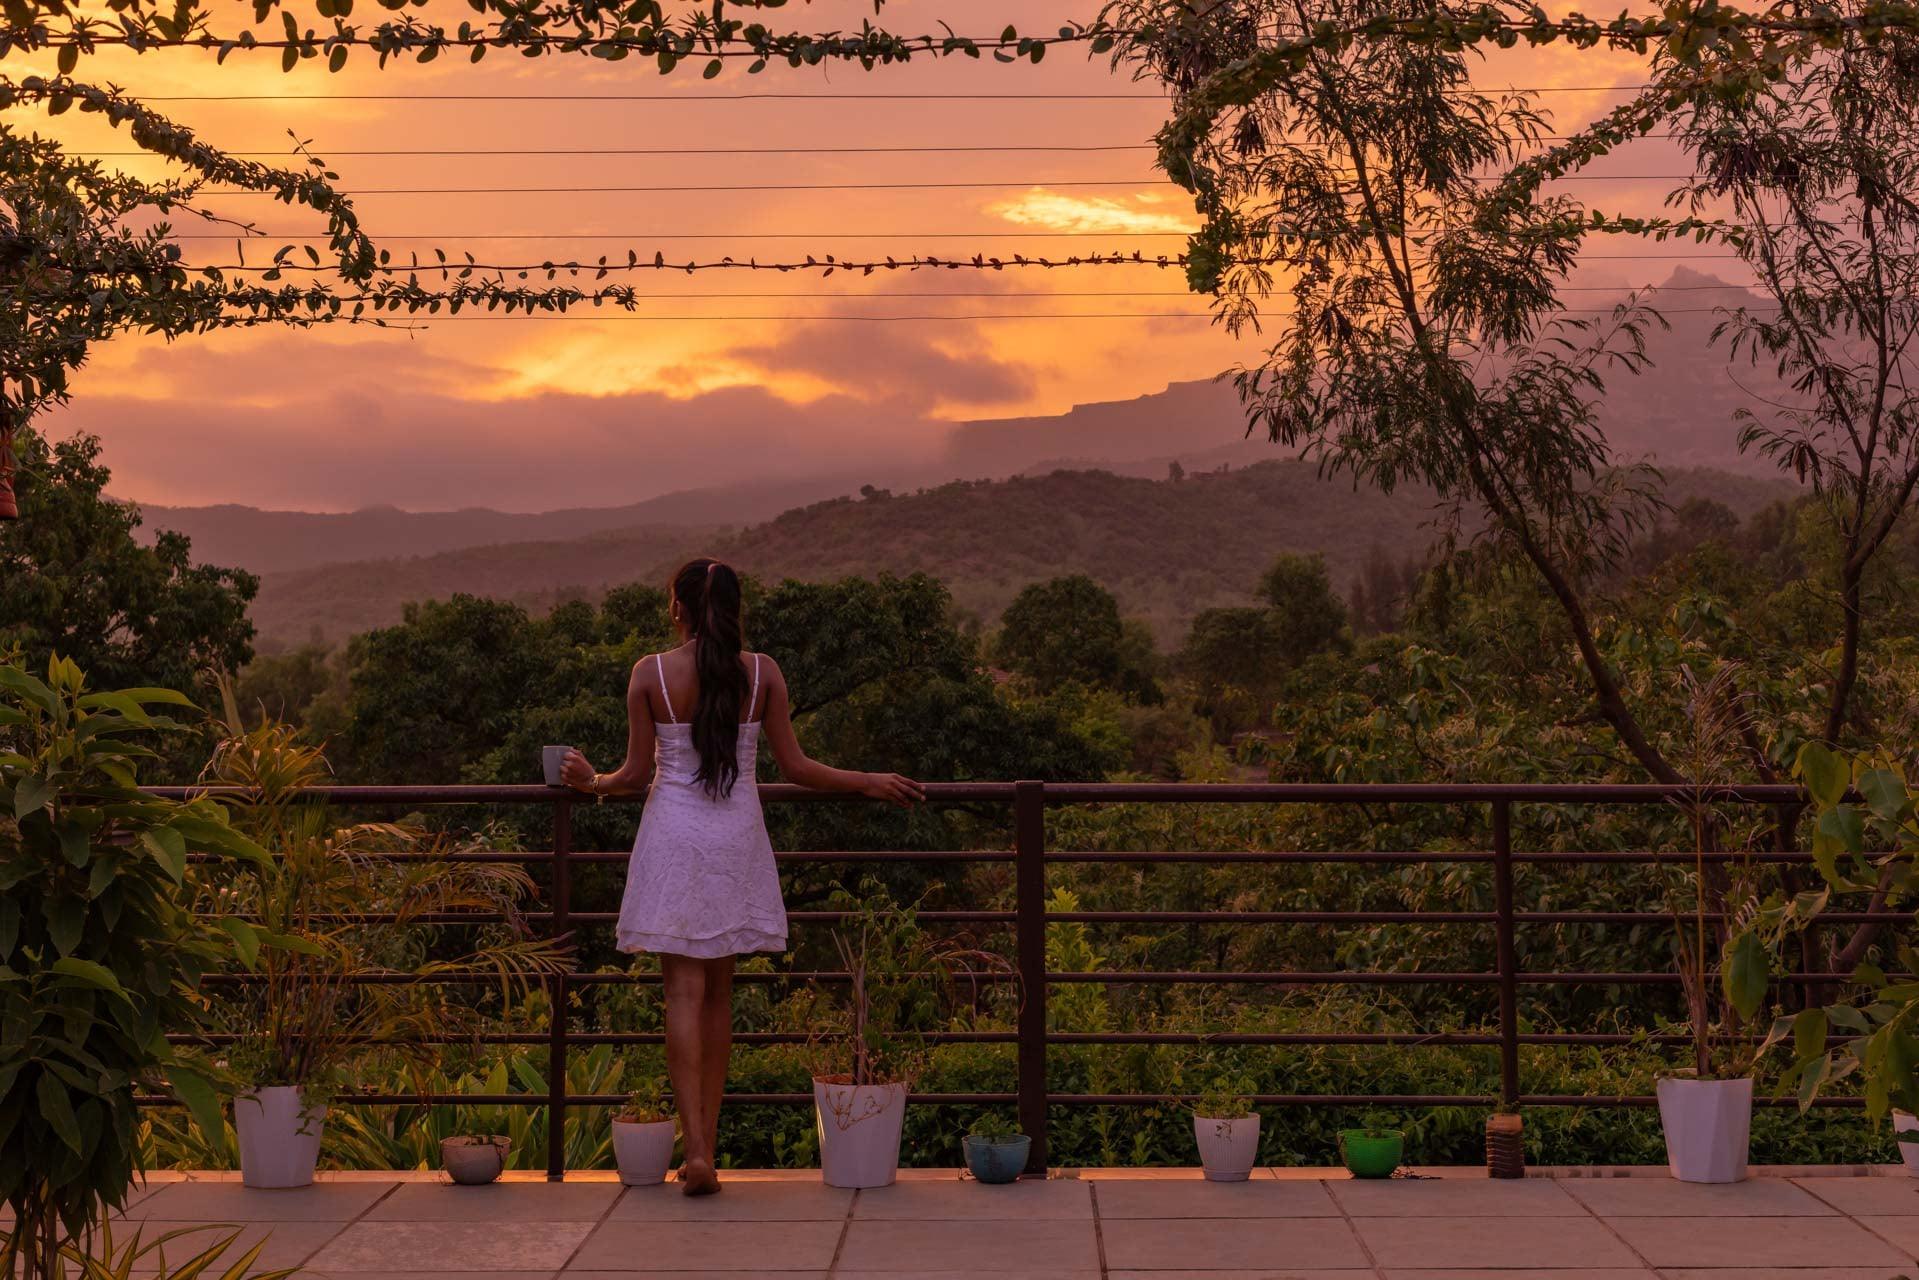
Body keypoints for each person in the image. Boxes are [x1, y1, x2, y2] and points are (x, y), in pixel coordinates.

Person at [561, 557, 922, 1194]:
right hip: (735, 841)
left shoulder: (650, 673)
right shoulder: (763, 674)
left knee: (682, 995)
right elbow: (797, 767)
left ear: (677, 607)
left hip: (673, 840)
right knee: (719, 997)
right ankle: (709, 1147)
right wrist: (867, 780)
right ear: (735, 608)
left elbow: (634, 776)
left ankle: (696, 1150)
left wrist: (590, 781)